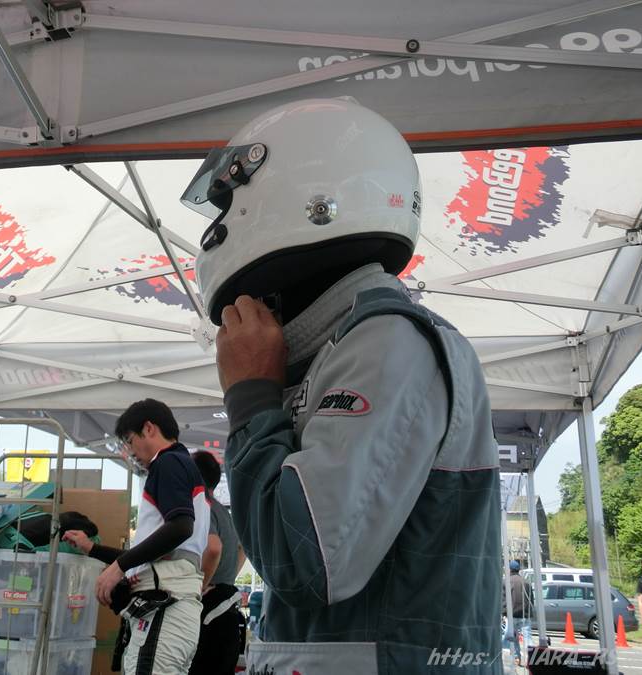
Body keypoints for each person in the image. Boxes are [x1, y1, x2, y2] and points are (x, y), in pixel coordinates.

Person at [180, 98, 502, 674]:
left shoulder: (389, 340)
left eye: (230, 198)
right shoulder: (346, 344)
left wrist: (251, 398)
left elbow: (304, 562)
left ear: (302, 193)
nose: (220, 223)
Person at [62, 398, 209, 674]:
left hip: (165, 608)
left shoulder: (168, 463)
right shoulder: (180, 465)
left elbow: (180, 526)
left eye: (130, 440)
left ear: (149, 428)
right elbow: (159, 551)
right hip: (173, 606)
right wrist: (92, 548)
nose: (130, 451)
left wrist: (119, 566)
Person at [189, 451, 245, 675]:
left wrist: (198, 587)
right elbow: (243, 549)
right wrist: (227, 576)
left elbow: (214, 548)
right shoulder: (223, 512)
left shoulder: (201, 506)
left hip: (208, 612)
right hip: (227, 608)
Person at [503, 561, 530, 665]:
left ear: (509, 569)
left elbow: (503, 600)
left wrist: (503, 613)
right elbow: (530, 599)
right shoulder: (526, 582)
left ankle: (516, 657)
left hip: (512, 614)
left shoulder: (506, 581)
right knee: (527, 637)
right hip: (525, 614)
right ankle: (530, 658)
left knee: (512, 637)